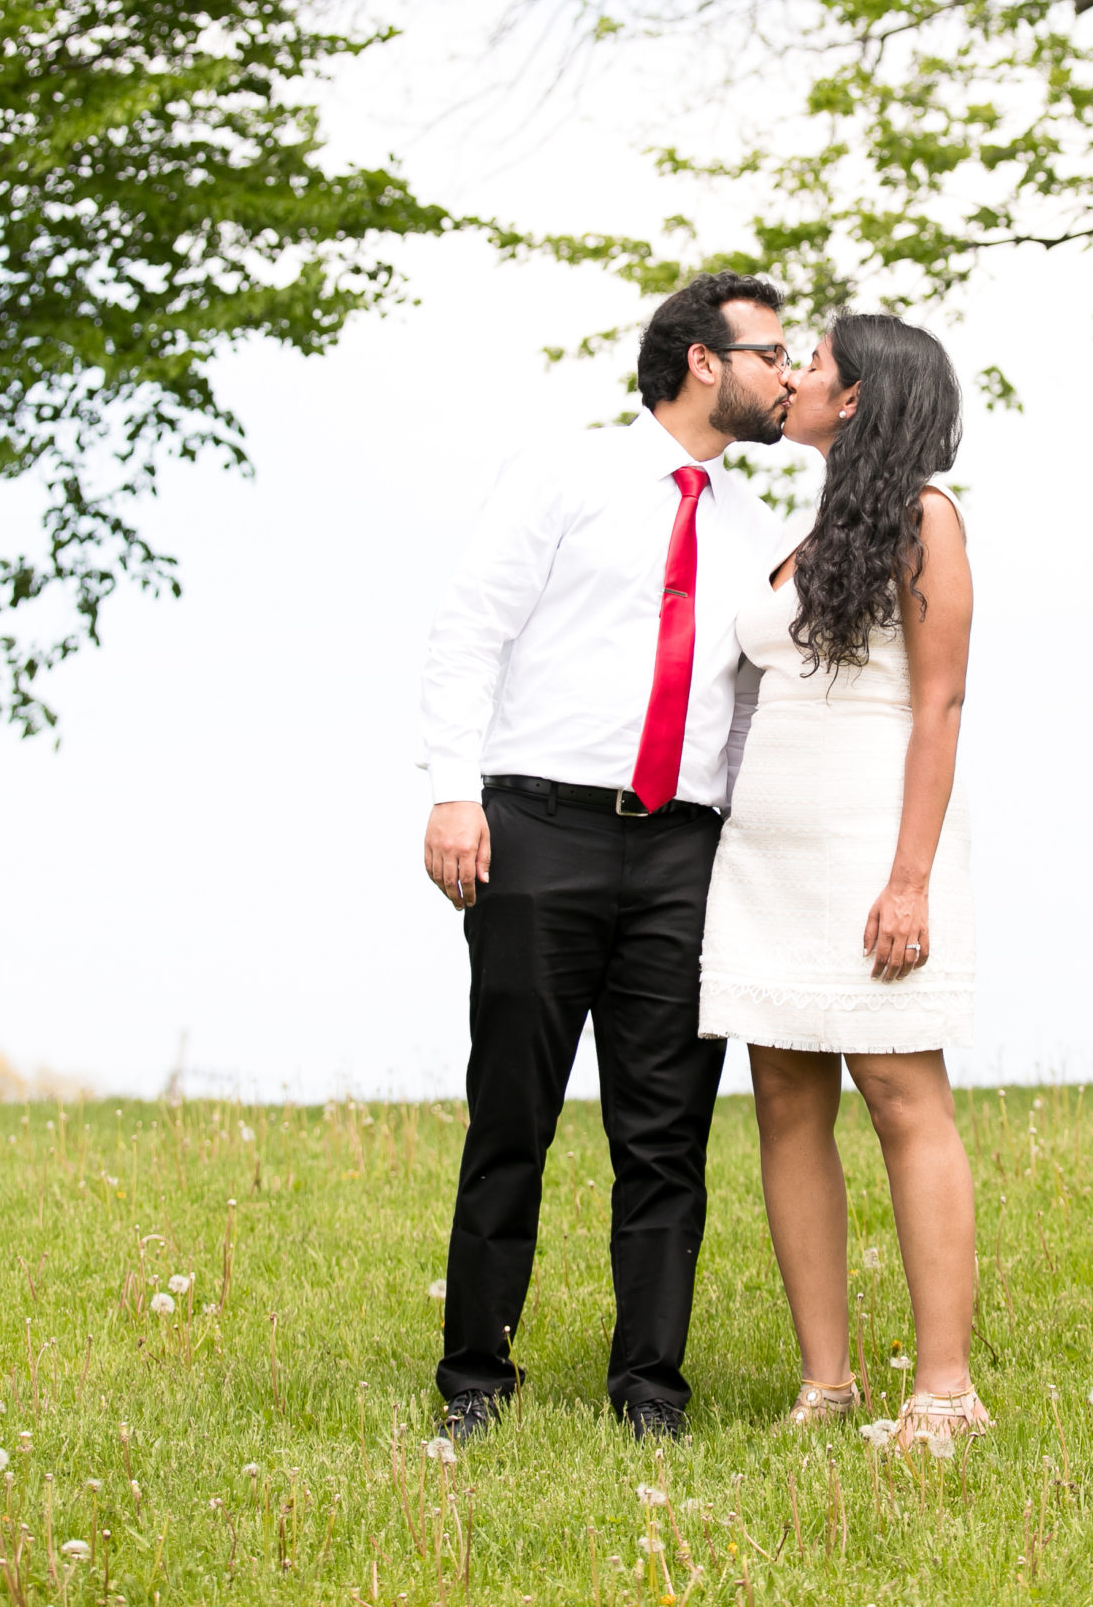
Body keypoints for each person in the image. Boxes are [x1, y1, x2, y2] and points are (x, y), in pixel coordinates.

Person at [420, 271, 791, 1443]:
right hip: (539, 830)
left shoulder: (747, 527)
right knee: (512, 1115)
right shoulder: (563, 475)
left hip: (684, 854)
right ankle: (475, 1380)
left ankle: (650, 1393)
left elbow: (740, 702)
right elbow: (469, 628)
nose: (787, 374)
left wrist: (732, 834)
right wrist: (450, 792)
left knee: (666, 1135)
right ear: (699, 360)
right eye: (770, 352)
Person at [698, 313, 986, 1447]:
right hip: (766, 854)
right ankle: (826, 1384)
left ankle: (946, 1390)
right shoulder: (812, 518)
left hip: (874, 843)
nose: (792, 377)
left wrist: (907, 878)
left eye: (810, 362)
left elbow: (940, 704)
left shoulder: (928, 517)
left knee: (899, 1091)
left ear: (857, 395)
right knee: (783, 1100)